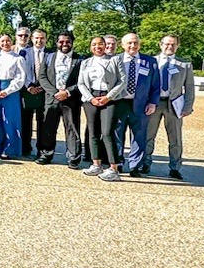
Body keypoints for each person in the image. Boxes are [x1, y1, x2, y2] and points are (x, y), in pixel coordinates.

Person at [141, 35, 196, 180]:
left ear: (177, 46)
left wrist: (188, 106)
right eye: (166, 44)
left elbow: (189, 87)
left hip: (174, 104)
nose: (169, 47)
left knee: (175, 138)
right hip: (153, 103)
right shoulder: (151, 62)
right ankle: (145, 163)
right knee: (148, 135)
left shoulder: (185, 65)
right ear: (160, 45)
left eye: (173, 45)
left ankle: (175, 167)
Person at [108, 33, 160, 177]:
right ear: (122, 45)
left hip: (141, 104)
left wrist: (153, 102)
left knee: (139, 135)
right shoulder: (115, 60)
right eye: (129, 43)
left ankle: (135, 166)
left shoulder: (150, 61)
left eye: (135, 43)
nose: (133, 46)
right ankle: (118, 163)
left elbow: (156, 85)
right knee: (117, 134)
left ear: (139, 44)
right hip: (119, 103)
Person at [36, 31, 83, 168]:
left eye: (67, 41)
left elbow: (82, 80)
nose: (64, 44)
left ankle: (73, 157)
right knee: (48, 127)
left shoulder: (79, 59)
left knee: (72, 128)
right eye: (61, 41)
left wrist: (67, 92)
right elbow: (42, 77)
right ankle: (46, 154)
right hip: (52, 98)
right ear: (57, 43)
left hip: (71, 99)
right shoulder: (49, 57)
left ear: (72, 42)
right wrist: (56, 92)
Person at [78, 37, 122, 181]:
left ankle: (113, 167)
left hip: (109, 98)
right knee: (93, 132)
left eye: (101, 44)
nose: (98, 47)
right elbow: (81, 83)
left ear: (105, 46)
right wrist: (90, 98)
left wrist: (108, 97)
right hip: (91, 98)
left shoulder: (115, 60)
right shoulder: (86, 63)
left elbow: (122, 81)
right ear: (91, 47)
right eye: (94, 45)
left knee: (107, 132)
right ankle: (96, 163)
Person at [0, 35, 26, 159]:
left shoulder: (18, 58)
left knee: (10, 121)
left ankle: (10, 149)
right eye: (2, 41)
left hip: (11, 92)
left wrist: (7, 91)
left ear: (12, 42)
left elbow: (20, 78)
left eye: (8, 41)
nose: (5, 43)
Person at [20, 28, 52, 158]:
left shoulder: (51, 54)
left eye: (42, 38)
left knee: (43, 122)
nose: (39, 40)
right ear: (32, 39)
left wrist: (44, 87)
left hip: (44, 92)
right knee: (26, 122)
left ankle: (41, 150)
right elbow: (21, 71)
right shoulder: (24, 52)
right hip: (28, 90)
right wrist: (28, 86)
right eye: (36, 38)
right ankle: (25, 148)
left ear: (46, 39)